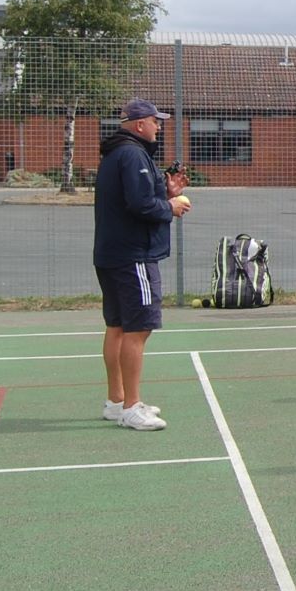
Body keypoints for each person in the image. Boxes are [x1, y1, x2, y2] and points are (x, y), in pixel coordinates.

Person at [94, 99, 191, 432]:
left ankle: (117, 400)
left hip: (112, 253)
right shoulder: (133, 154)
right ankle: (132, 406)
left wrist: (166, 190)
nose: (159, 127)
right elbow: (140, 205)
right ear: (139, 124)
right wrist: (171, 205)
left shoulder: (117, 153)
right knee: (138, 329)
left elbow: (132, 197)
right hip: (133, 255)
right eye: (155, 121)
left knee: (118, 326)